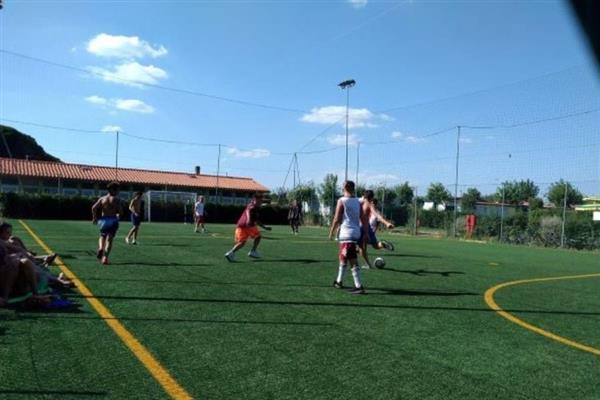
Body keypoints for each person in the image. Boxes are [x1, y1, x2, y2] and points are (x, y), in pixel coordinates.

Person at [329, 180, 368, 294]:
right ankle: (339, 281)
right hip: (355, 232)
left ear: (345, 187)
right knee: (343, 257)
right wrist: (365, 233)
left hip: (347, 233)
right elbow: (363, 218)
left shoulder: (342, 200)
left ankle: (358, 286)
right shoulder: (358, 201)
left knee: (352, 259)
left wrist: (331, 232)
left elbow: (337, 218)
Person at [225, 193, 272, 262]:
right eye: (259, 201)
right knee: (258, 236)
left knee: (242, 242)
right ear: (254, 200)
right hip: (248, 225)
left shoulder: (254, 206)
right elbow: (248, 211)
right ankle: (253, 251)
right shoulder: (252, 207)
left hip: (240, 226)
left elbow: (256, 219)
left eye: (261, 201)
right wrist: (249, 219)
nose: (260, 202)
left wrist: (264, 227)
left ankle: (230, 253)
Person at [359, 192, 395, 269]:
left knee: (362, 248)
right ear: (371, 198)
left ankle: (368, 265)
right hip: (368, 228)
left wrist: (386, 223)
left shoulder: (362, 203)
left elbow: (377, 216)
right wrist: (387, 223)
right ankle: (382, 244)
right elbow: (378, 216)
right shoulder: (366, 204)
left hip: (362, 228)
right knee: (375, 246)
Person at [92, 182, 122, 265]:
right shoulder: (117, 199)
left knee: (102, 236)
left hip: (104, 220)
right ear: (113, 190)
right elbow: (120, 211)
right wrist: (118, 214)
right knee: (110, 240)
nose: (118, 192)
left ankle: (101, 248)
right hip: (113, 220)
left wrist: (94, 217)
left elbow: (93, 208)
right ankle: (105, 258)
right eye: (117, 190)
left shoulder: (102, 198)